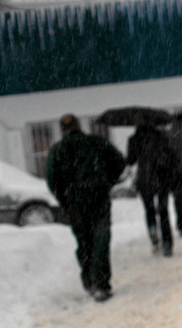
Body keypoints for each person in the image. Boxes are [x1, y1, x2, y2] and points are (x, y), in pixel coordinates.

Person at [46, 114, 126, 302]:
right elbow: (119, 162)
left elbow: (52, 179)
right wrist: (107, 182)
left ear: (62, 130)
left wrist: (64, 199)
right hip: (99, 197)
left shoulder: (58, 150)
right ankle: (101, 283)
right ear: (79, 125)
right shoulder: (97, 143)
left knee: (84, 241)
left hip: (75, 201)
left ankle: (89, 280)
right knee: (101, 238)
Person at [126, 118, 177, 257]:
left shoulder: (134, 139)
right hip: (162, 178)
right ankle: (167, 243)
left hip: (145, 179)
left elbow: (130, 159)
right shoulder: (162, 136)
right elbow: (172, 156)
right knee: (163, 211)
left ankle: (154, 236)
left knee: (149, 210)